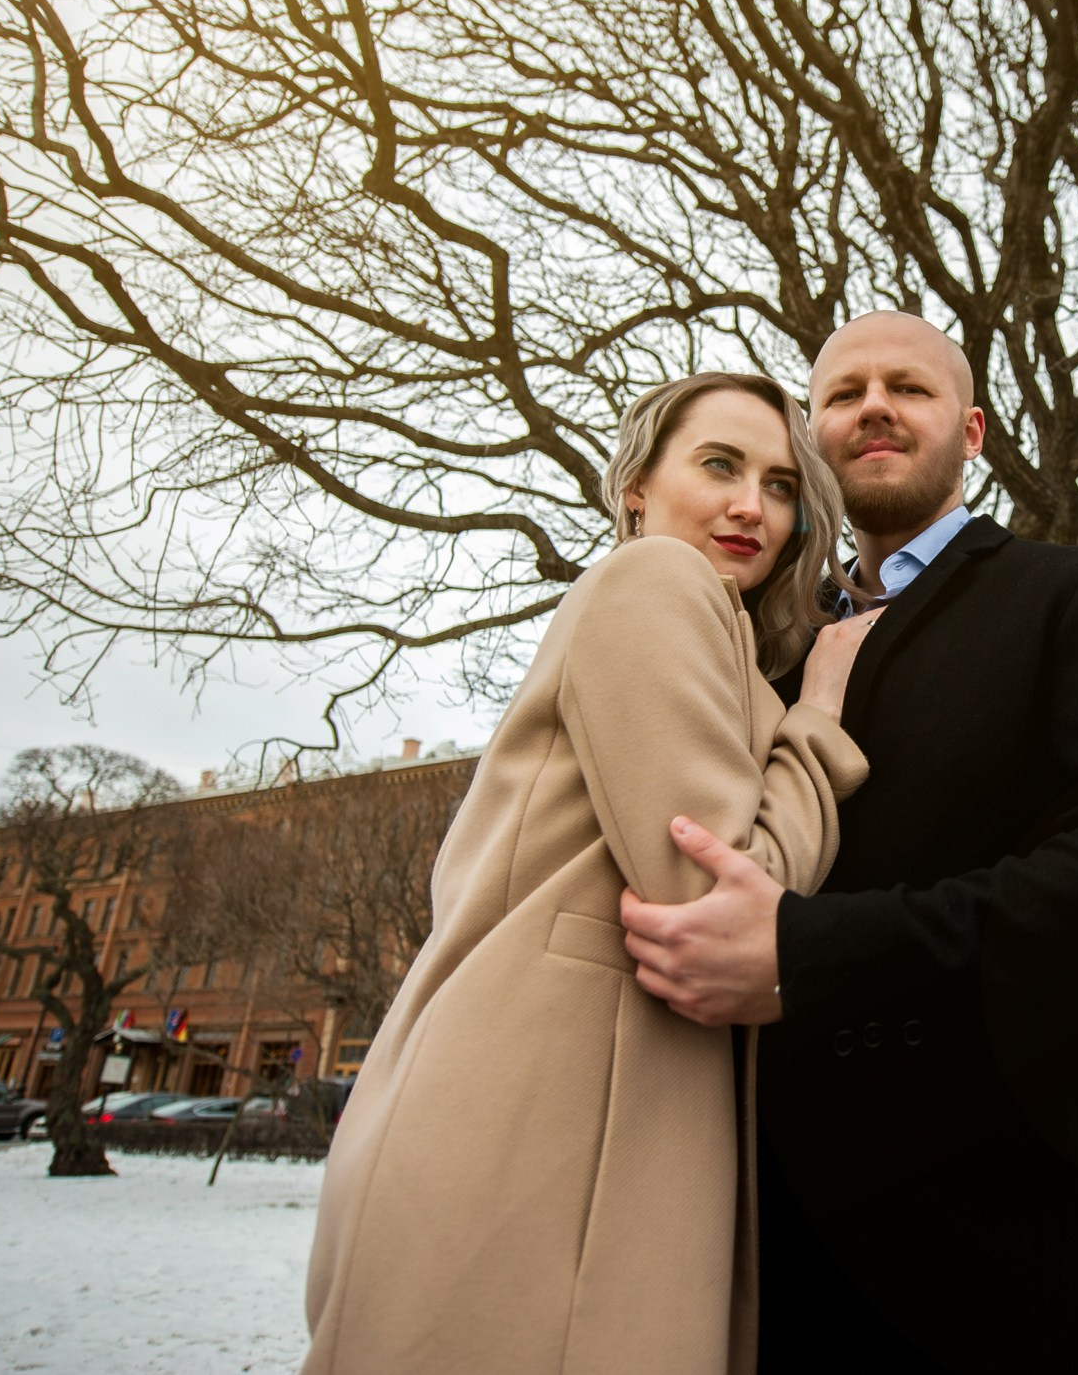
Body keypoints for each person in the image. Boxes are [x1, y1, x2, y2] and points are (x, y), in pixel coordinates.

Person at [621, 311, 1078, 1373]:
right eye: (843, 392)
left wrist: (812, 952)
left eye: (908, 386)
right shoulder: (761, 645)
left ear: (974, 430)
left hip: (991, 1285)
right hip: (752, 1287)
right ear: (812, 438)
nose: (873, 407)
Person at [300, 372, 880, 1375]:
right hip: (544, 1135)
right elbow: (723, 894)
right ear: (637, 491)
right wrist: (821, 718)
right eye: (719, 465)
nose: (753, 503)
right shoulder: (657, 578)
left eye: (783, 485)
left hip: (548, 1117)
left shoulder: (716, 639)